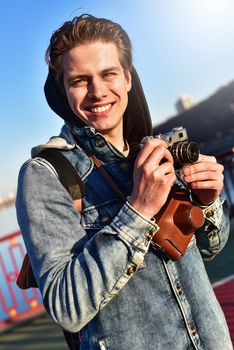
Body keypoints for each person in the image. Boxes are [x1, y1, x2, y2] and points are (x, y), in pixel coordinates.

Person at [16, 14, 232, 350]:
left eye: (108, 74)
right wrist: (139, 208)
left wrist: (208, 203)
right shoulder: (46, 175)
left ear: (128, 78)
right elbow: (66, 308)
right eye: (79, 81)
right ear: (63, 91)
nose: (98, 91)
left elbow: (210, 248)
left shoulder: (157, 150)